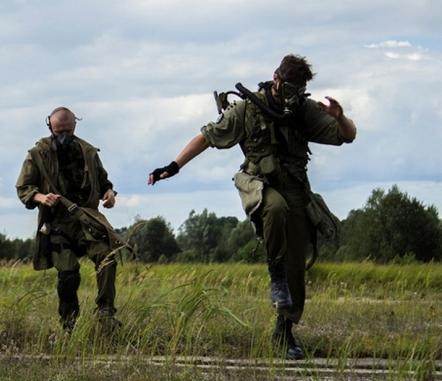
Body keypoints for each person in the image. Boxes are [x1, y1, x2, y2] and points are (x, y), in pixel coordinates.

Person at [148, 54, 356, 359]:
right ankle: (276, 274)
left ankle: (284, 332)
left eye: (300, 90)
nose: (294, 95)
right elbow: (208, 137)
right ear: (276, 79)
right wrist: (173, 166)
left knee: (297, 266)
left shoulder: (304, 110)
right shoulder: (248, 108)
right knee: (275, 208)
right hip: (258, 183)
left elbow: (347, 136)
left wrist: (340, 117)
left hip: (296, 187)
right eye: (289, 88)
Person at [16, 107, 123, 333]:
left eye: (68, 131)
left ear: (75, 126)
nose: (63, 136)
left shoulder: (89, 152)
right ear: (50, 128)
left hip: (86, 222)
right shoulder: (37, 154)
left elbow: (104, 181)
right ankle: (68, 326)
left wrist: (109, 193)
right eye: (58, 132)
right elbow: (23, 188)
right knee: (69, 277)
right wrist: (41, 197)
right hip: (57, 223)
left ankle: (106, 316)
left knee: (107, 257)